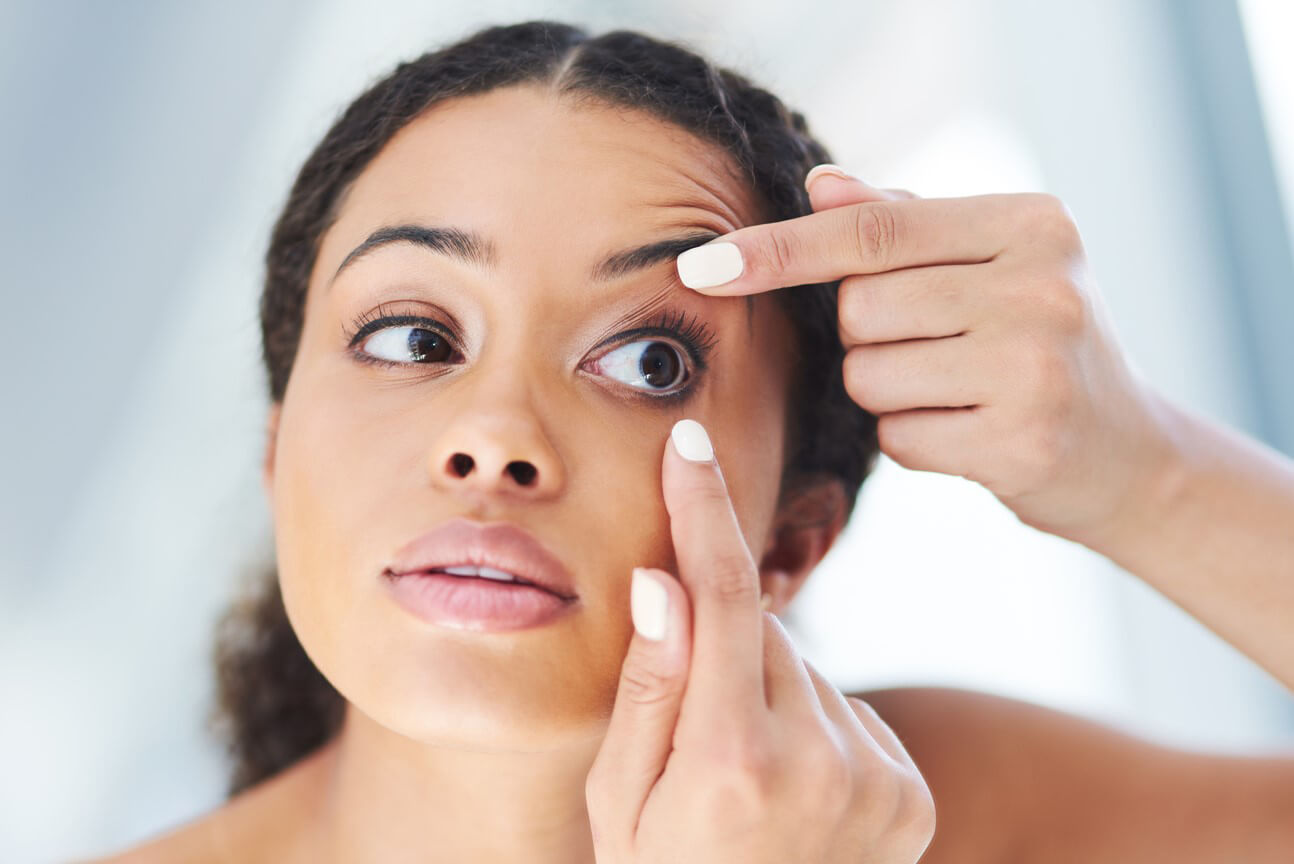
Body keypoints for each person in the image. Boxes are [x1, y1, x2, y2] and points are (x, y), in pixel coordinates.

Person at [89, 19, 1294, 863]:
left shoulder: (946, 809)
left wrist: (1149, 476)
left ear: (793, 539)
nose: (495, 437)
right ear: (275, 451)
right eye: (411, 338)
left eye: (648, 362)